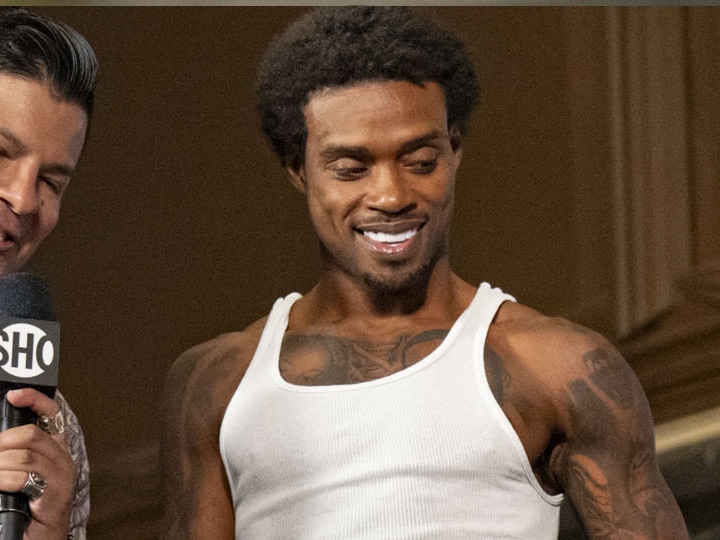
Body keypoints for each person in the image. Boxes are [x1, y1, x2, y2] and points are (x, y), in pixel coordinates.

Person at [162, 7, 688, 539]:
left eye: (420, 162)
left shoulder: (555, 366)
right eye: (351, 169)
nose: (391, 196)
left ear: (454, 151)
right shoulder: (219, 384)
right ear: (298, 169)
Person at [0, 7, 97, 539]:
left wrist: (47, 531)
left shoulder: (48, 427)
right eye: (1, 152)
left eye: (51, 182)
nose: (23, 198)